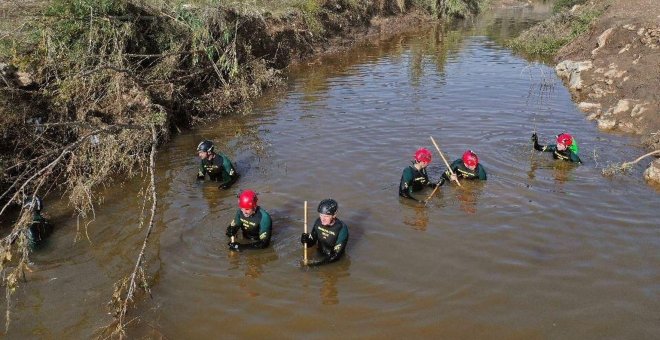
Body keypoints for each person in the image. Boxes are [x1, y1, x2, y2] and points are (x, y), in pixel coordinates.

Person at [300, 199, 349, 266]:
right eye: (321, 215)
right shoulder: (318, 222)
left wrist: (316, 265)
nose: (322, 219)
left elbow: (336, 255)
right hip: (319, 253)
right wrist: (305, 240)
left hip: (333, 260)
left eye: (326, 216)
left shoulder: (342, 229)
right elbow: (311, 243)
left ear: (334, 215)